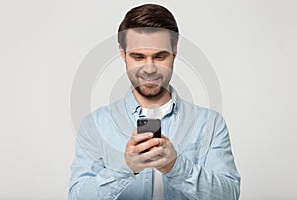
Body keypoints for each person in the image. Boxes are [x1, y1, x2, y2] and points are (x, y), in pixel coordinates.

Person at [69, 3, 240, 200]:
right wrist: (126, 168)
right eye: (138, 56)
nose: (149, 69)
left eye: (159, 56)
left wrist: (176, 167)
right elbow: (77, 196)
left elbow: (230, 195)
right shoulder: (95, 125)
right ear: (123, 54)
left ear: (174, 52)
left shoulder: (210, 123)